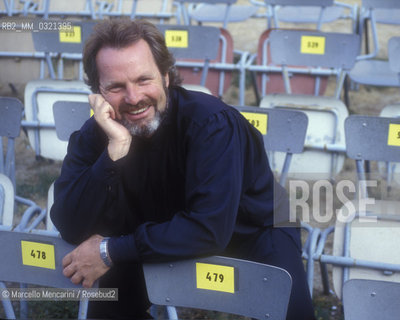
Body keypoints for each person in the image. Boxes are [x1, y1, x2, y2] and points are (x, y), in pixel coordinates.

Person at [51, 19, 315, 320]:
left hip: (253, 229)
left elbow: (208, 229)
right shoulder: (96, 134)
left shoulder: (212, 124)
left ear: (165, 76)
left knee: (290, 314)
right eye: (116, 87)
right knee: (108, 313)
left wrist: (110, 250)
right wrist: (112, 155)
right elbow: (68, 223)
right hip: (159, 230)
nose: (134, 98)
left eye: (143, 80)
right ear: (97, 91)